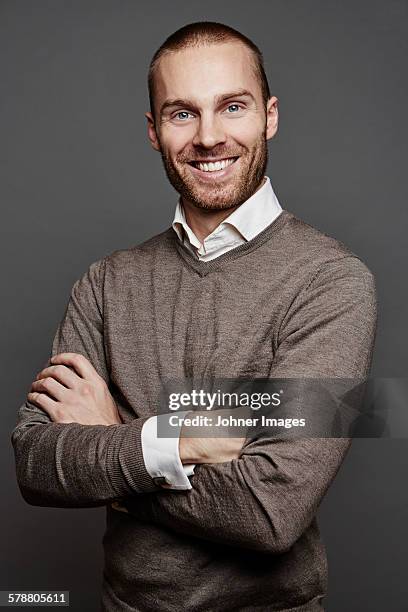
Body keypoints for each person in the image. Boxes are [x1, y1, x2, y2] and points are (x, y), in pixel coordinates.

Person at [11, 21, 377, 612]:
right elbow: (35, 464)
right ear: (154, 131)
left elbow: (270, 513)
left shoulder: (331, 282)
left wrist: (113, 443)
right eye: (183, 114)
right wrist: (178, 443)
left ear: (269, 116)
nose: (209, 137)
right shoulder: (105, 284)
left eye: (232, 106)